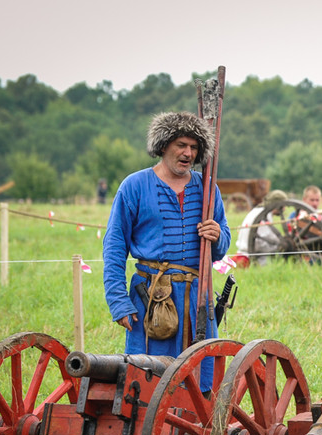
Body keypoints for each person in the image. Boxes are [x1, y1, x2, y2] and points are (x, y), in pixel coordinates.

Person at [103, 111, 231, 388]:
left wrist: (217, 236)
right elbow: (114, 246)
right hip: (149, 296)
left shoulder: (207, 188)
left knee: (200, 377)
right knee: (146, 377)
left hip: (197, 296)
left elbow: (221, 249)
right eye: (181, 145)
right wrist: (119, 302)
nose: (188, 153)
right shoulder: (134, 186)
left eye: (194, 147)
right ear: (163, 146)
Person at [235, 189, 288, 266]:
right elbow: (266, 238)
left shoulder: (258, 210)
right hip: (250, 256)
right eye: (283, 206)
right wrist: (280, 245)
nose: (284, 209)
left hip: (246, 251)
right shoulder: (264, 215)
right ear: (277, 205)